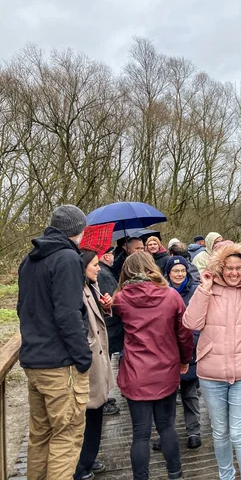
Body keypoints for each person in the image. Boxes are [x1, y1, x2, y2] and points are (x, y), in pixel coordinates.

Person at [183, 243, 241, 480]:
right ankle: (226, 476)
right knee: (220, 433)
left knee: (239, 433)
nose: (234, 272)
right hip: (211, 373)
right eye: (228, 268)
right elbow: (191, 323)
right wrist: (204, 289)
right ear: (219, 268)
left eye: (238, 267)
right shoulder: (207, 289)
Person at [17, 204, 92, 479]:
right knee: (66, 436)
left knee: (40, 435)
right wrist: (83, 357)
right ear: (79, 231)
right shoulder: (67, 260)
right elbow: (68, 314)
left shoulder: (30, 259)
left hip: (34, 361)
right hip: (61, 366)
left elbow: (22, 307)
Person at [113, 252, 193, 480]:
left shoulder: (120, 299)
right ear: (151, 268)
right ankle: (175, 473)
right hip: (166, 370)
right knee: (167, 426)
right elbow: (184, 334)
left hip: (135, 373)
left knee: (140, 433)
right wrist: (185, 359)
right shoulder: (171, 296)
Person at [74, 250, 114, 480]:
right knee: (89, 415)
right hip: (89, 362)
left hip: (98, 359)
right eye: (95, 265)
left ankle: (88, 459)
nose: (99, 269)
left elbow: (97, 318)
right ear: (83, 266)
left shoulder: (91, 286)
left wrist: (105, 306)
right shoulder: (76, 290)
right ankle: (81, 466)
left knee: (96, 413)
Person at [165, 256, 203, 448]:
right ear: (169, 273)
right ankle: (166, 433)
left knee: (189, 393)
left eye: (182, 271)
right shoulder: (162, 291)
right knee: (167, 396)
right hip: (168, 350)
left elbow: (200, 318)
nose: (179, 274)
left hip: (191, 346)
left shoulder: (196, 291)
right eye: (175, 271)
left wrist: (193, 341)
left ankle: (194, 431)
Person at [96, 247, 122, 416]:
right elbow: (108, 297)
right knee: (105, 363)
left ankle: (104, 396)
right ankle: (103, 399)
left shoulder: (105, 270)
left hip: (110, 326)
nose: (113, 257)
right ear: (106, 256)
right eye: (112, 254)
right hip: (110, 326)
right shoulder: (103, 274)